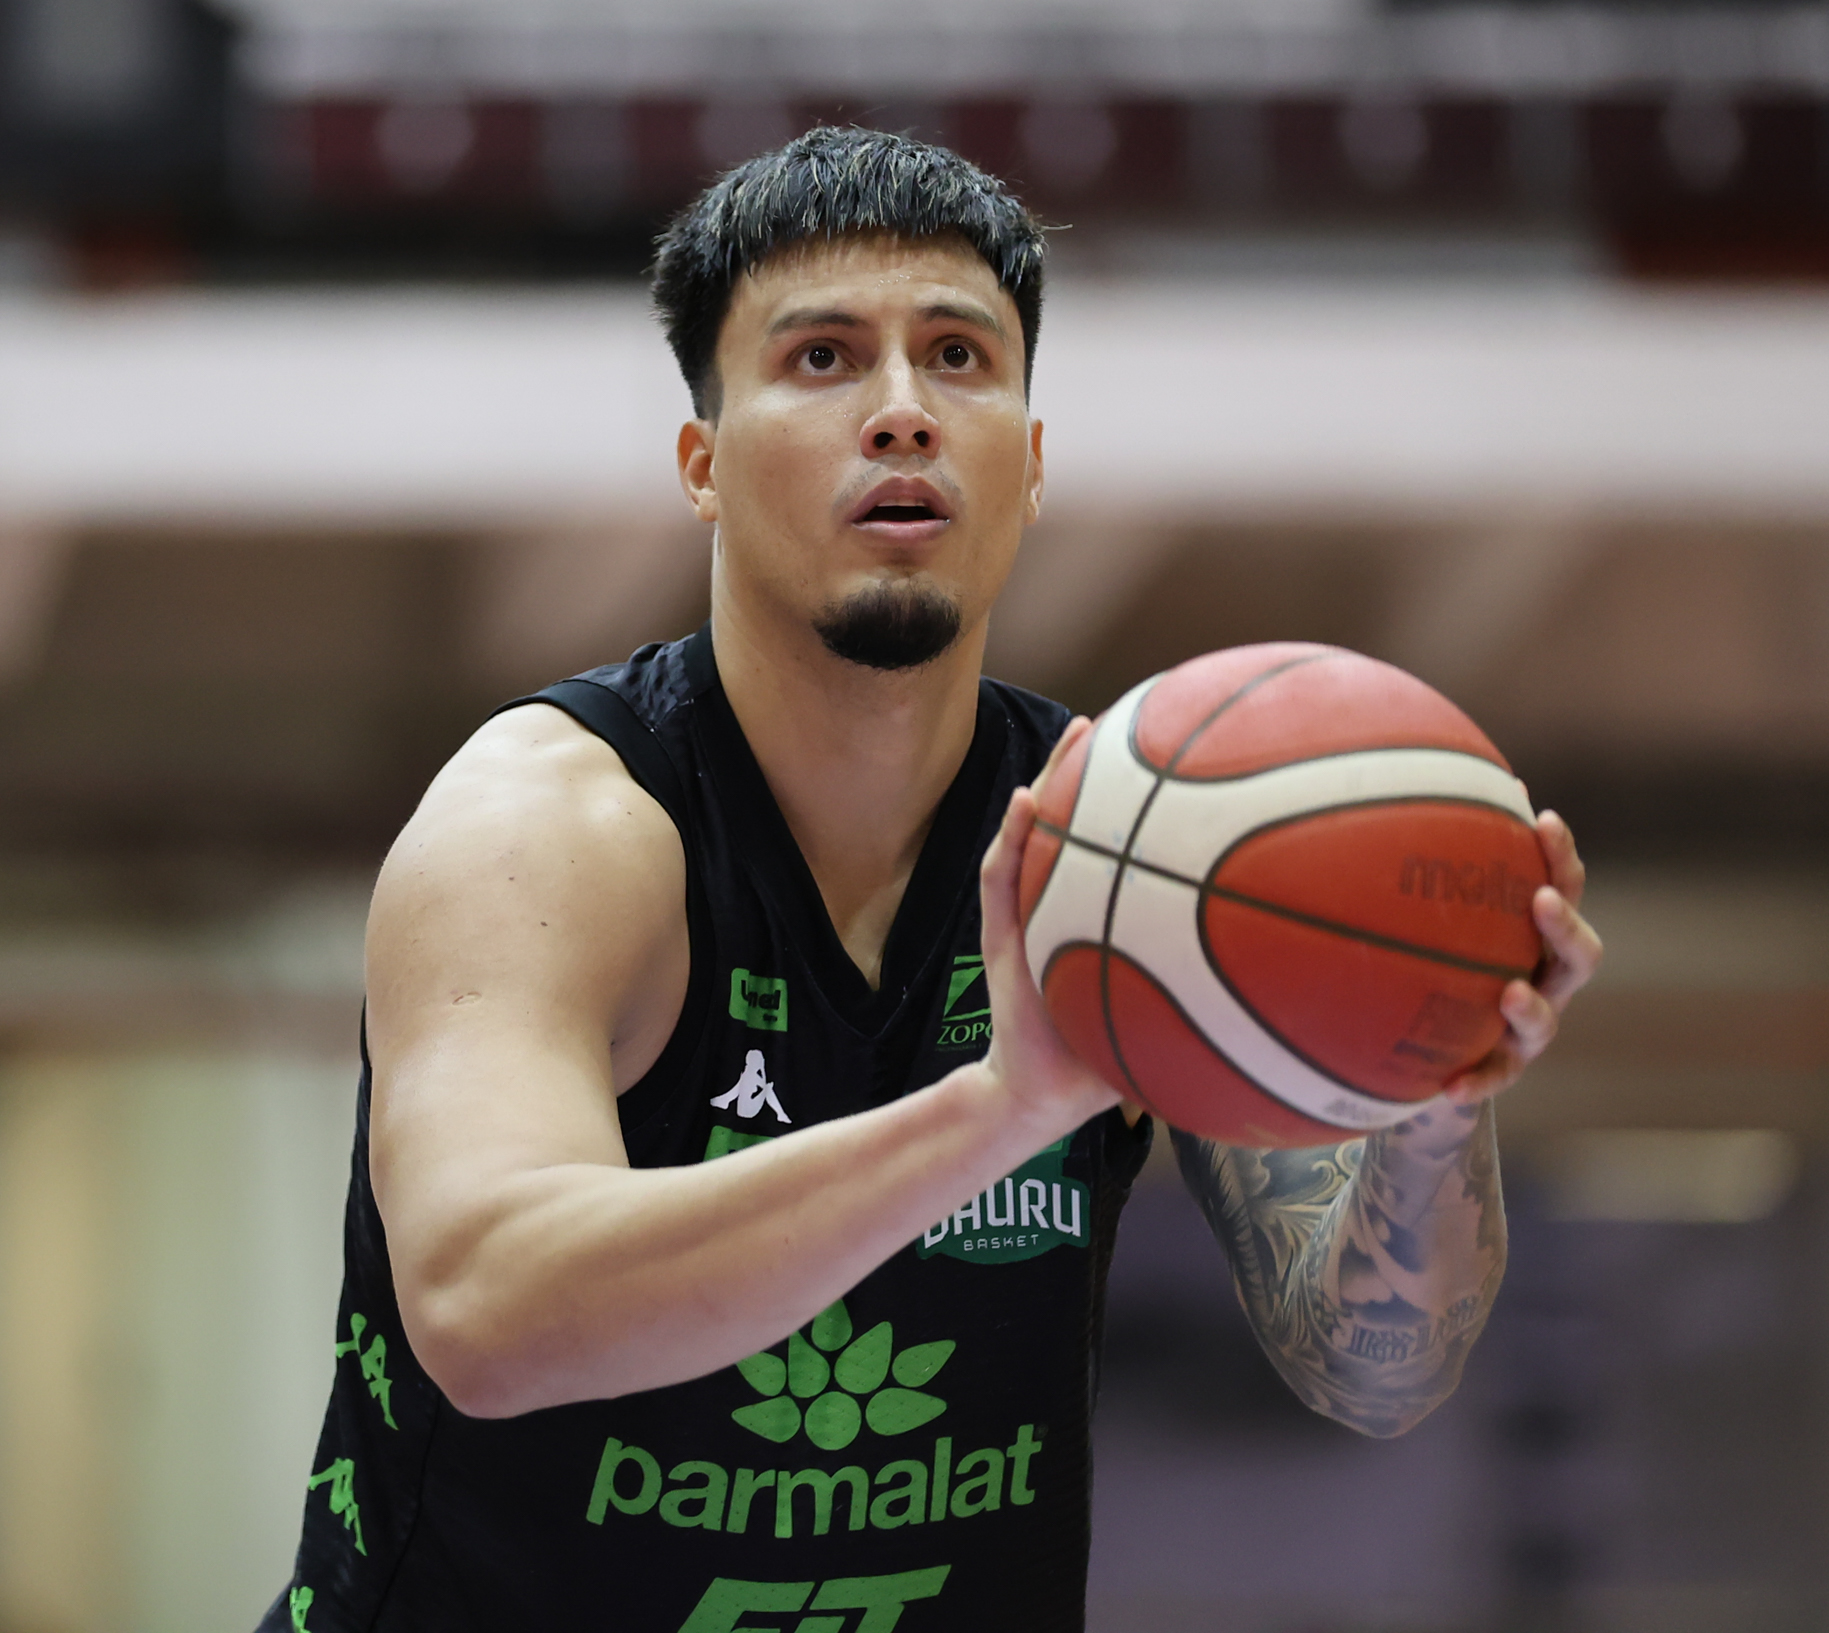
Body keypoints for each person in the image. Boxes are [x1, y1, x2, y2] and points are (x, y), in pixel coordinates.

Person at [265, 127, 1603, 1633]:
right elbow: (485, 1310)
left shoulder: (1131, 853)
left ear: (1025, 465)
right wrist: (1002, 1110)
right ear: (703, 466)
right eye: (821, 358)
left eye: (958, 357)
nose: (901, 410)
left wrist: (1428, 1081)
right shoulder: (550, 826)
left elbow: (1374, 1366)